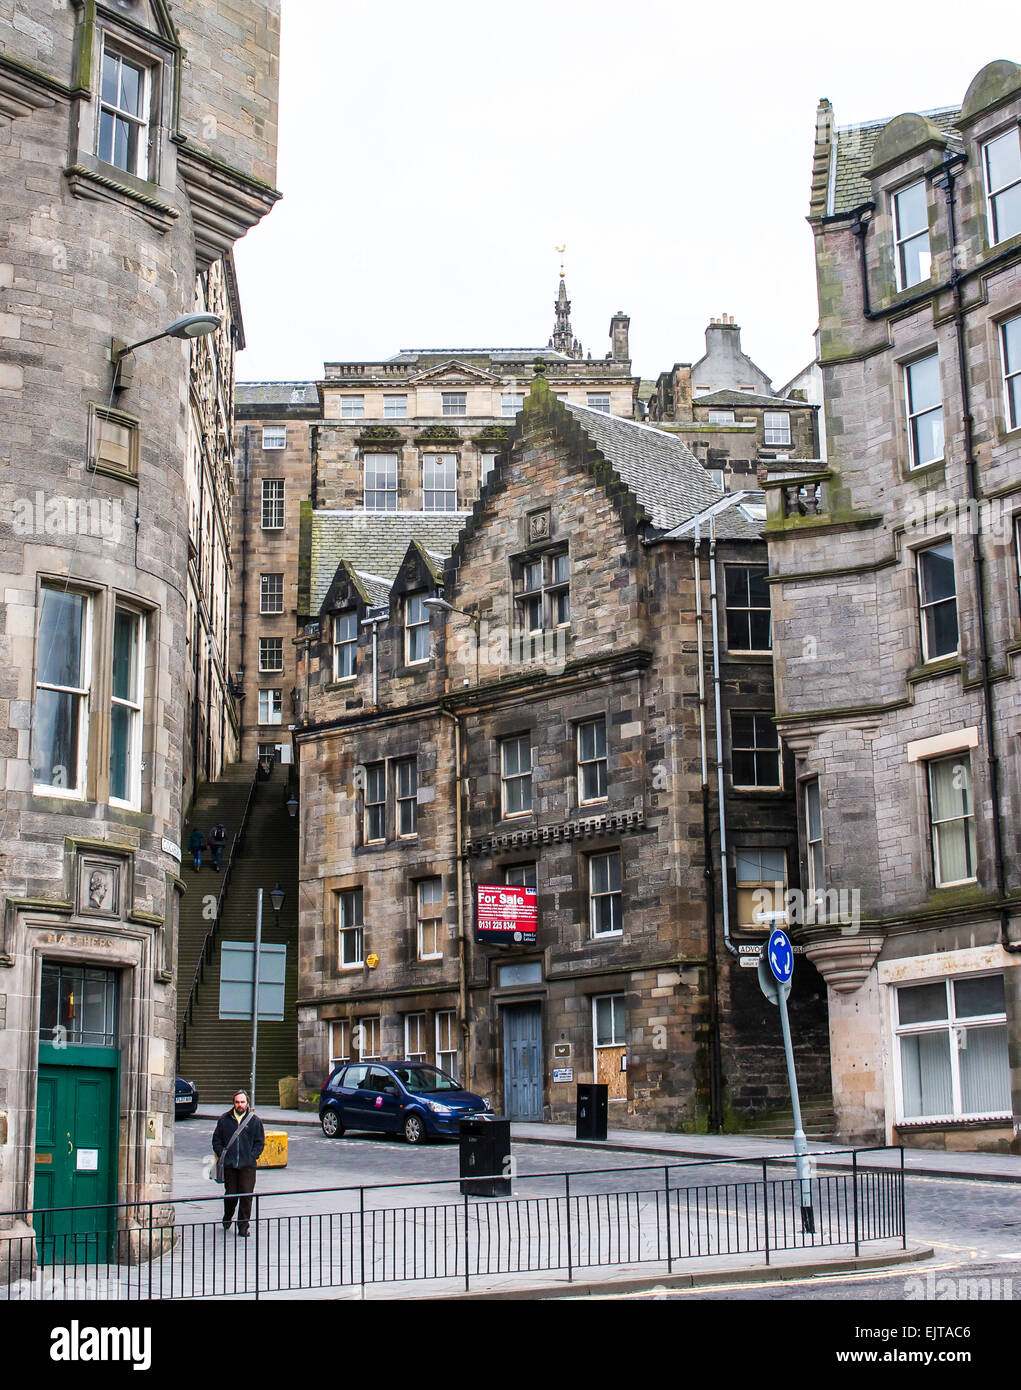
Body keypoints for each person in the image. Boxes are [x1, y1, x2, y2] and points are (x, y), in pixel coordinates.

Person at [212, 1090, 265, 1237]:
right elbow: (216, 1140)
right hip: (230, 1166)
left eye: (242, 1102)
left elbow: (260, 1142)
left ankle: (243, 1225)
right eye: (237, 1102)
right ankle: (227, 1216)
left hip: (247, 1166)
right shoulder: (224, 1120)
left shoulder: (255, 1121)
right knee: (230, 1195)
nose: (240, 1105)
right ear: (233, 1103)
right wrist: (224, 1154)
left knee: (246, 1196)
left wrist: (252, 1155)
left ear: (247, 1103)